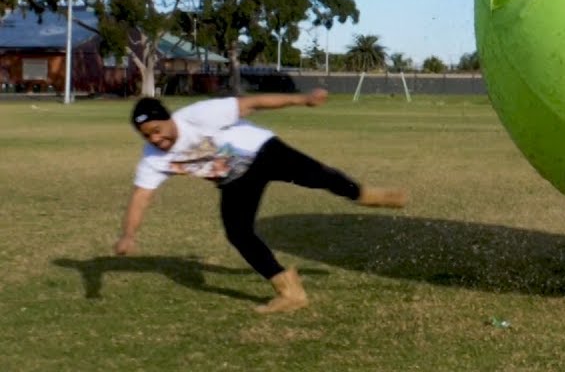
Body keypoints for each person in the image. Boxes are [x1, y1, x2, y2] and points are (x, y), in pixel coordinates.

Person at [114, 89, 407, 313]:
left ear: (168, 118)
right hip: (234, 180)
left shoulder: (199, 115)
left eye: (157, 129)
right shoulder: (153, 159)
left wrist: (303, 99)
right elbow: (142, 195)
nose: (154, 138)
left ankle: (366, 195)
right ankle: (290, 291)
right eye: (147, 135)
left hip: (262, 151)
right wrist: (129, 235)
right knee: (238, 233)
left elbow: (252, 103)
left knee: (319, 176)